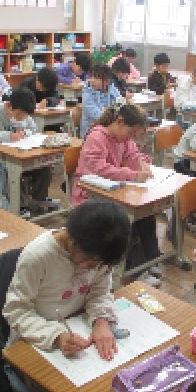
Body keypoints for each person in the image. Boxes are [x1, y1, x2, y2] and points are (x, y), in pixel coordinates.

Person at [3, 200, 130, 358]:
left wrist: (101, 321)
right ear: (71, 239)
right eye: (88, 260)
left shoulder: (100, 254)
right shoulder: (37, 257)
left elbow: (99, 292)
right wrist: (56, 336)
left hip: (75, 326)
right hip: (36, 337)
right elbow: (16, 310)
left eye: (99, 263)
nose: (92, 268)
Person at [72, 103, 163, 287]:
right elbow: (100, 169)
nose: (132, 138)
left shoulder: (124, 138)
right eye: (132, 133)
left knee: (146, 213)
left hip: (112, 190)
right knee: (128, 221)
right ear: (120, 121)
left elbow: (133, 155)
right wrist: (133, 175)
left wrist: (142, 164)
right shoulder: (96, 137)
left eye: (136, 135)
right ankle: (135, 270)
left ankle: (150, 260)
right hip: (89, 193)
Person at [0, 88, 59, 218]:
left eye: (25, 115)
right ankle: (18, 205)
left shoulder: (24, 114)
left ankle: (38, 199)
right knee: (7, 171)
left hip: (21, 154)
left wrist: (24, 132)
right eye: (20, 114)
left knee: (44, 166)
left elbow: (33, 129)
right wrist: (8, 135)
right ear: (9, 105)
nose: (22, 118)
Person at [80, 63, 121, 138]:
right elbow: (99, 117)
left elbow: (121, 107)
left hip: (111, 128)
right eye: (91, 77)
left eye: (96, 78)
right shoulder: (87, 94)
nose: (92, 80)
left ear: (107, 81)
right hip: (92, 133)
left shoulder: (113, 90)